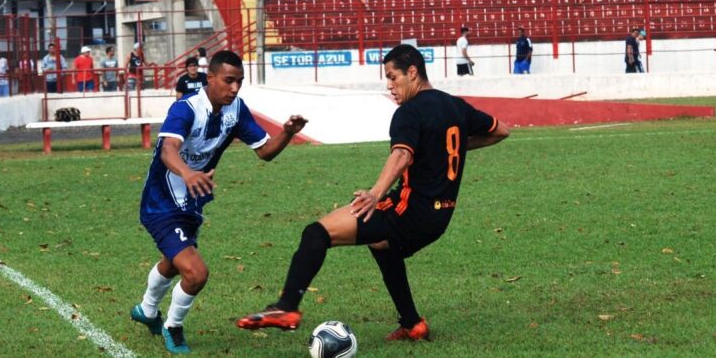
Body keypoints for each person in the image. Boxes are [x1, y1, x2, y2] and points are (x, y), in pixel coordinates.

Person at [235, 45, 510, 341]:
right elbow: (501, 130)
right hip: (440, 217)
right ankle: (412, 324)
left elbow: (402, 156)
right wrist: (441, 150)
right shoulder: (456, 106)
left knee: (316, 233)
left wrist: (375, 193)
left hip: (409, 212)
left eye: (393, 77)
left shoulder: (409, 112)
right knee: (381, 245)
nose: (389, 85)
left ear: (413, 72)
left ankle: (287, 307)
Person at [130, 51, 308, 354]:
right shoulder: (185, 108)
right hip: (161, 201)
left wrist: (287, 133)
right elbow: (168, 150)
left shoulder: (236, 110)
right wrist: (187, 173)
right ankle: (172, 326)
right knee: (196, 273)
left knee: (175, 263)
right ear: (209, 78)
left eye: (239, 81)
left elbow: (265, 151)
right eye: (228, 81)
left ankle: (146, 310)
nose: (235, 88)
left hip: (193, 200)